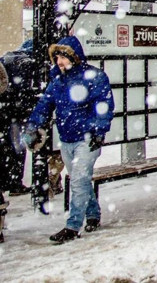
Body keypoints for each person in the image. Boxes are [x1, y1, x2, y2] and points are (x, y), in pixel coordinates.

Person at [23, 35, 114, 244]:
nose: (59, 63)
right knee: (79, 180)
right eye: (56, 59)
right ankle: (93, 214)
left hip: (87, 139)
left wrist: (99, 132)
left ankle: (73, 226)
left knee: (79, 180)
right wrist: (33, 127)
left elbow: (104, 105)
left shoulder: (95, 77)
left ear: (74, 57)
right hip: (67, 140)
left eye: (63, 57)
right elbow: (43, 106)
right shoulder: (58, 82)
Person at [0, 39, 38, 196]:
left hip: (4, 110)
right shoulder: (28, 62)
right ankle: (15, 184)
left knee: (5, 148)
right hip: (17, 111)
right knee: (18, 147)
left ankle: (5, 182)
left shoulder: (7, 57)